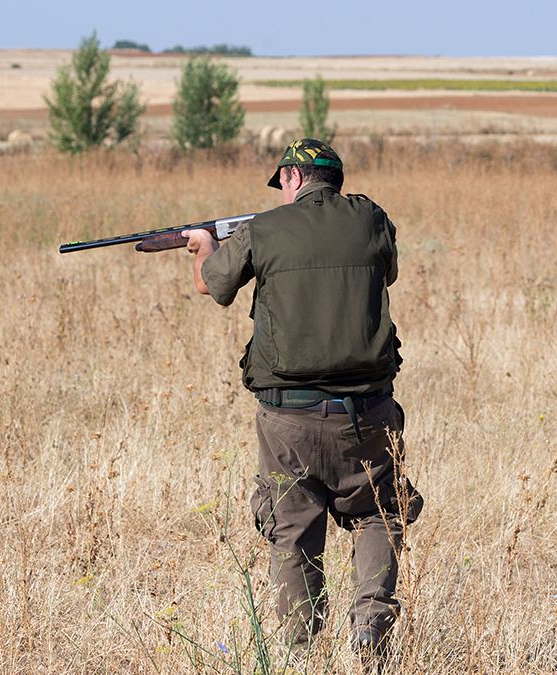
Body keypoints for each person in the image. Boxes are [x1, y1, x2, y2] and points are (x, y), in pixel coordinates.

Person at [182, 139, 423, 660]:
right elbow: (389, 270)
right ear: (334, 179)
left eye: (282, 182)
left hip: (287, 416)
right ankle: (369, 629)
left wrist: (203, 244)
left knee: (293, 530)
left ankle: (300, 649)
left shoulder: (262, 229)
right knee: (378, 514)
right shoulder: (372, 220)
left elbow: (212, 287)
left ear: (292, 177)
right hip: (368, 413)